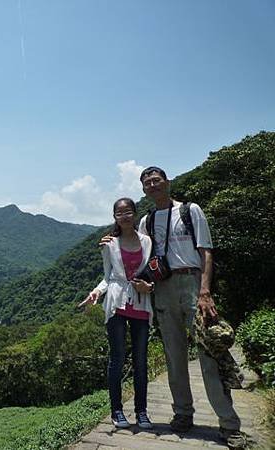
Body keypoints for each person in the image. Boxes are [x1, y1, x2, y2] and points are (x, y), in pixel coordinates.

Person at [136, 166, 245, 448]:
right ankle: (182, 414)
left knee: (209, 356)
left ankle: (229, 424)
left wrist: (205, 291)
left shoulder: (190, 210)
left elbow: (206, 250)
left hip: (192, 284)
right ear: (144, 189)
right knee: (174, 357)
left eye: (156, 180)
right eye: (147, 182)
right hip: (163, 289)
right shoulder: (146, 221)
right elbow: (142, 259)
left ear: (167, 182)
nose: (152, 185)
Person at [80, 197, 154, 429]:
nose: (124, 216)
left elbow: (153, 272)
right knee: (117, 359)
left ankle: (142, 411)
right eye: (119, 213)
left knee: (141, 360)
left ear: (134, 213)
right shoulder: (109, 244)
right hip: (116, 304)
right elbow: (108, 276)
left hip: (141, 303)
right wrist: (96, 293)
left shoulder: (147, 241)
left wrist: (149, 287)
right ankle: (117, 411)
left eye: (128, 211)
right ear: (115, 217)